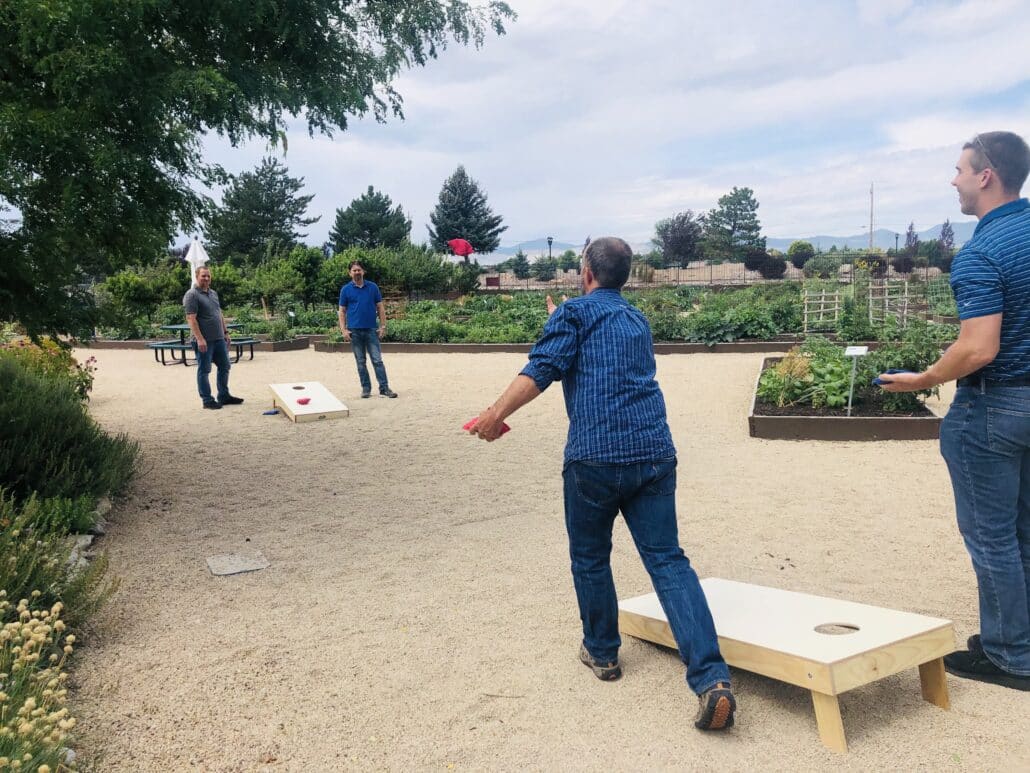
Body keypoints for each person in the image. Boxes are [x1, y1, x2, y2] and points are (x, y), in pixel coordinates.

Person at [469, 237, 736, 729]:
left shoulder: (573, 314)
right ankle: (712, 679)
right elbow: (602, 349)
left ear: (587, 273)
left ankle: (603, 652)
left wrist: (494, 415)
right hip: (654, 452)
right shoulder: (635, 318)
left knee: (591, 557)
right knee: (668, 562)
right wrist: (563, 318)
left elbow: (542, 369)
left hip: (594, 457)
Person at [878, 131, 1030, 692]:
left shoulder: (983, 252)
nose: (954, 180)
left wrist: (924, 379)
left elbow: (978, 348)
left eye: (960, 170)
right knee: (1025, 530)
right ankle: (1020, 638)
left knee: (992, 537)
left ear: (986, 176)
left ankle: (1011, 656)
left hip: (994, 404)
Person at [183, 266, 244, 410]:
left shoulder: (213, 293)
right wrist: (200, 339)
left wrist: (226, 332)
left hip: (218, 339)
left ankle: (224, 396)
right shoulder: (192, 295)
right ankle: (207, 400)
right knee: (204, 370)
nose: (206, 278)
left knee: (225, 366)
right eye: (203, 276)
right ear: (197, 276)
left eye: (208, 276)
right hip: (204, 340)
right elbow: (191, 318)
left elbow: (219, 313)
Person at [338, 261, 397, 399]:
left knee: (377, 360)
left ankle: (384, 388)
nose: (357, 272)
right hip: (354, 331)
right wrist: (343, 330)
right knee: (360, 362)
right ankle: (366, 388)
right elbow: (342, 311)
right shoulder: (345, 290)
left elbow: (380, 307)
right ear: (350, 273)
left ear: (363, 271)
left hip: (371, 330)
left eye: (359, 270)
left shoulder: (373, 287)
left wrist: (383, 326)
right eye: (354, 270)